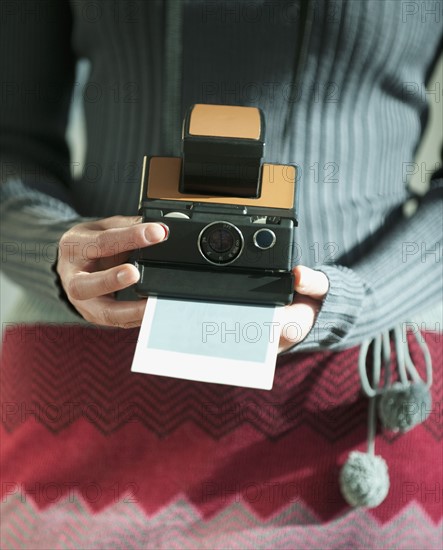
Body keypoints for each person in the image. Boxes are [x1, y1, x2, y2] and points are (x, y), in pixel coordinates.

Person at [1, 1, 441, 548]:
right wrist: (55, 249)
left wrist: (359, 299)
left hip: (358, 392)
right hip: (82, 378)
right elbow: (9, 147)